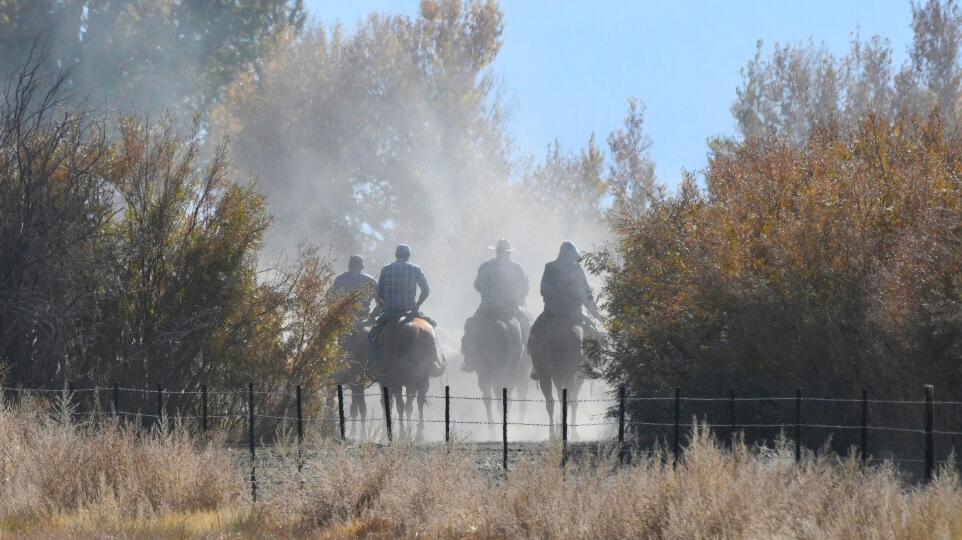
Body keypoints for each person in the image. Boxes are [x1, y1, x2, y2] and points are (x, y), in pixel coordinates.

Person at [530, 241, 602, 379]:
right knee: (593, 334)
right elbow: (586, 293)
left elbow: (544, 289)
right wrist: (595, 313)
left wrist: (554, 300)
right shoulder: (576, 270)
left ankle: (536, 367)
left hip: (552, 313)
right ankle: (591, 366)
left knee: (535, 332)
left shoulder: (550, 267)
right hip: (573, 314)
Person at [461, 238, 532, 373]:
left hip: (488, 306)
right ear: (509, 253)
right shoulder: (517, 267)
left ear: (497, 252)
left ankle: (468, 359)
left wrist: (487, 292)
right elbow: (525, 286)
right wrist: (520, 297)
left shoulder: (485, 266)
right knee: (528, 325)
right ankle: (530, 360)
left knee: (470, 326)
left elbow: (477, 286)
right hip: (511, 307)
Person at [368, 244, 437, 369]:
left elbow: (379, 293)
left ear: (396, 255)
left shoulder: (386, 269)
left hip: (389, 312)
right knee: (431, 329)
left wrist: (383, 304)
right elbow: (426, 290)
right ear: (408, 256)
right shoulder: (415, 269)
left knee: (372, 336)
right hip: (410, 311)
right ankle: (433, 363)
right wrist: (417, 305)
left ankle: (376, 365)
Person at [330, 255, 379, 323]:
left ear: (349, 265)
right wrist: (373, 315)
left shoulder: (340, 278)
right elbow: (380, 302)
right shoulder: (371, 280)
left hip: (342, 317)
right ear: (362, 266)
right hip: (363, 316)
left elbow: (330, 298)